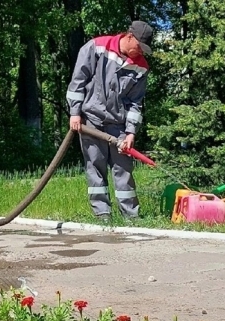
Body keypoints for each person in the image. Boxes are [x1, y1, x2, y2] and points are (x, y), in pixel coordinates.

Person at [66, 20, 154, 221]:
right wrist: (75, 113)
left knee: (124, 169)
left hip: (119, 125)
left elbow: (135, 102)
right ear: (129, 36)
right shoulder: (97, 47)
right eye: (139, 47)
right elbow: (78, 81)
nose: (140, 52)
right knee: (95, 166)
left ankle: (130, 215)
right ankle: (102, 213)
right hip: (91, 121)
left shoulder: (141, 67)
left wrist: (131, 132)